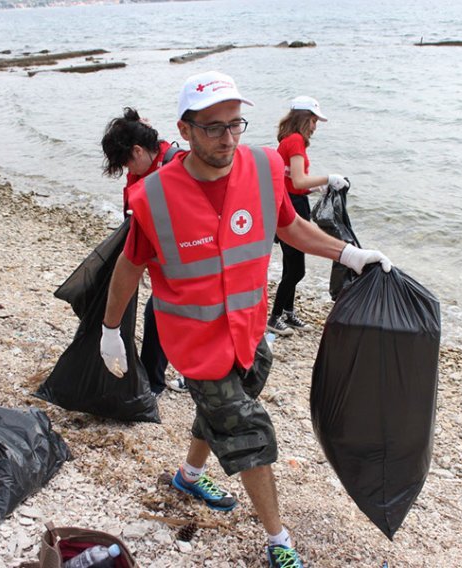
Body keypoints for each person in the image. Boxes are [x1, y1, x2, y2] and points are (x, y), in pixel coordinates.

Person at [99, 71, 391, 568]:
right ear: (185, 129)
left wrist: (349, 256)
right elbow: (129, 264)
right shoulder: (153, 197)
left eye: (235, 124)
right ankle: (279, 542)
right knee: (248, 428)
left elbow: (291, 226)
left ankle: (188, 476)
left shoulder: (263, 167)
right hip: (195, 342)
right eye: (213, 127)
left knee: (223, 410)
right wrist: (110, 332)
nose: (228, 138)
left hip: (250, 332)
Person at [100, 107, 187, 396]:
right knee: (159, 315)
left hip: (187, 266)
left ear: (137, 151)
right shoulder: (142, 169)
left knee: (162, 315)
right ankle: (158, 378)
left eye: (126, 163)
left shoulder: (175, 165)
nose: (127, 170)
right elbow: (134, 215)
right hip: (160, 262)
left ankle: (163, 381)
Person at [267, 95, 349, 336]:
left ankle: (289, 313)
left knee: (290, 264)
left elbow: (293, 180)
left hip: (288, 200)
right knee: (296, 270)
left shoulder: (287, 140)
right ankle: (274, 317)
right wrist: (329, 178)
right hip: (292, 207)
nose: (315, 126)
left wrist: (315, 188)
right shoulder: (295, 141)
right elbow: (300, 178)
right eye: (313, 120)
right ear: (303, 118)